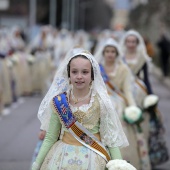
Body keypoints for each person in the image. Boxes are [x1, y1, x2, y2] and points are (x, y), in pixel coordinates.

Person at [32, 48, 129, 170]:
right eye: (74, 72)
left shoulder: (102, 102)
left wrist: (119, 165)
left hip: (94, 157)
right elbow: (50, 137)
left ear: (92, 75)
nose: (79, 76)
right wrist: (36, 164)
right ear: (69, 74)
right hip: (61, 158)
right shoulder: (59, 101)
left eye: (84, 72)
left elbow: (111, 139)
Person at [95, 38, 151, 169]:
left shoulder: (123, 69)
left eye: (112, 51)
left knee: (121, 126)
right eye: (107, 51)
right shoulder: (97, 68)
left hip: (118, 104)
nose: (110, 54)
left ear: (117, 53)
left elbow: (127, 91)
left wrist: (132, 108)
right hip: (101, 101)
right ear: (103, 53)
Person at [120, 30, 153, 95]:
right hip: (121, 88)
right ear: (125, 42)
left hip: (137, 89)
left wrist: (151, 94)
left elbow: (146, 79)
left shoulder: (142, 58)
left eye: (133, 42)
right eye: (128, 42)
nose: (130, 44)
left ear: (137, 43)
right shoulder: (120, 58)